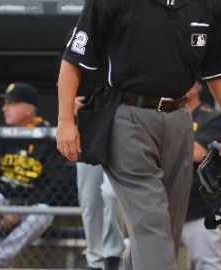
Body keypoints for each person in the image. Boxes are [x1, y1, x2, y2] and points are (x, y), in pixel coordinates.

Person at [56, 0, 221, 269]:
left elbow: (218, 70)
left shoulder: (210, 3)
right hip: (127, 114)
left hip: (180, 116)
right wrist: (65, 120)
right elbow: (73, 58)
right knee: (151, 222)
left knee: (166, 228)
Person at [0, 83, 55, 268]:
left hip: (30, 208)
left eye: (11, 103)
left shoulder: (48, 138)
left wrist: (20, 211)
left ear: (28, 109)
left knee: (44, 213)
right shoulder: (1, 135)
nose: (4, 108)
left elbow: (55, 186)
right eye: (5, 103)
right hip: (0, 204)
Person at [73, 55, 125, 270]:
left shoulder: (128, 28)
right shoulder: (77, 32)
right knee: (89, 198)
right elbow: (65, 72)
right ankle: (95, 260)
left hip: (121, 116)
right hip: (88, 118)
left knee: (111, 193)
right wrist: (69, 101)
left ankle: (112, 255)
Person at [181, 82, 221, 270]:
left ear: (197, 86)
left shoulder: (211, 117)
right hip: (166, 208)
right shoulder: (162, 116)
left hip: (200, 208)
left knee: (209, 265)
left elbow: (197, 153)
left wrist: (162, 147)